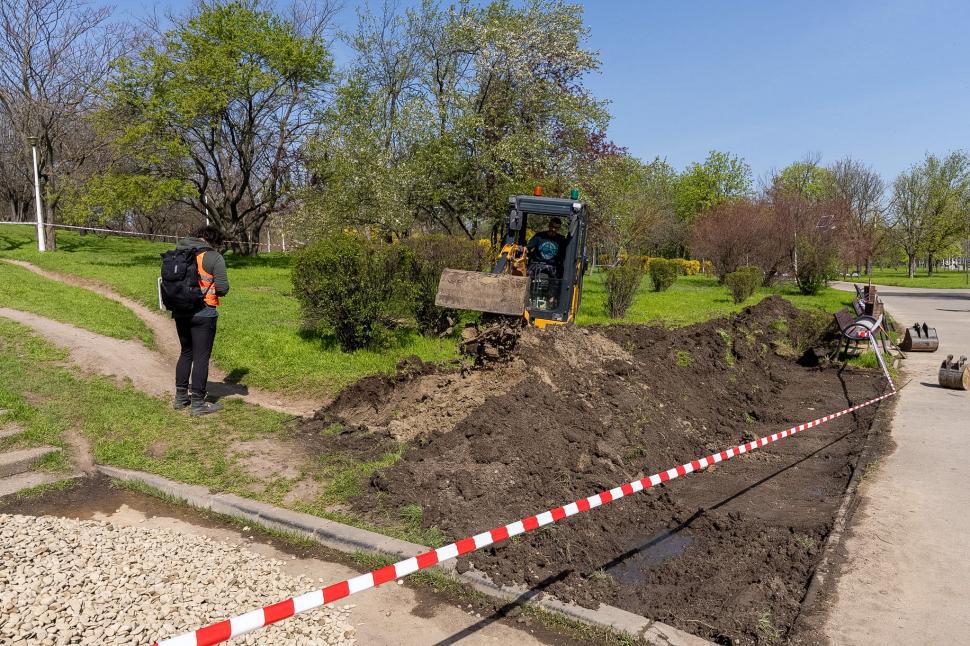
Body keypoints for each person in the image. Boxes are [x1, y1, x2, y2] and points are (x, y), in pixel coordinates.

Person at [172, 225, 230, 416]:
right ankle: (198, 403)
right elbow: (223, 288)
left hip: (180, 311)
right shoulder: (214, 257)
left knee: (186, 352)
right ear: (213, 240)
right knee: (201, 357)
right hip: (204, 313)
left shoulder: (179, 252)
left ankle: (181, 397)